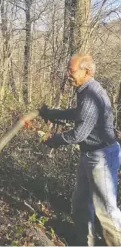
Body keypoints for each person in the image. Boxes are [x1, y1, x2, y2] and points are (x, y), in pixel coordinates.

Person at [40, 53, 121, 246]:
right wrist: (53, 113)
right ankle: (84, 243)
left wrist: (54, 139)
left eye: (71, 70)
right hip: (89, 154)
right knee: (80, 204)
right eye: (68, 69)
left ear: (86, 72)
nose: (68, 74)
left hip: (101, 155)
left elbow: (79, 134)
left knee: (106, 210)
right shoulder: (85, 90)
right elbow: (80, 114)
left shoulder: (92, 94)